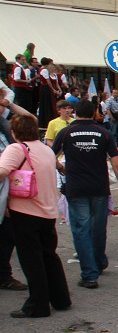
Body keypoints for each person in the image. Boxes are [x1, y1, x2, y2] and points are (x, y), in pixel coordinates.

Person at [52, 99, 118, 289]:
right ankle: (98, 262)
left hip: (76, 188)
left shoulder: (66, 132)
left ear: (75, 113)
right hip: (99, 187)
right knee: (97, 227)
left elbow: (49, 155)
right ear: (95, 112)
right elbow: (117, 162)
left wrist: (61, 168)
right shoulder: (103, 132)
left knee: (81, 230)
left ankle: (89, 274)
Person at [0, 114, 71, 317]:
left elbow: (2, 171)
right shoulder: (45, 149)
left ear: (14, 132)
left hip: (25, 211)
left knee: (32, 260)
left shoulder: (16, 149)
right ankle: (60, 298)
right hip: (47, 209)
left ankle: (37, 305)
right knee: (49, 255)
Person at [0, 94, 31, 292]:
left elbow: (30, 120)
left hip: (8, 191)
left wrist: (9, 104)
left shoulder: (5, 128)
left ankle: (4, 275)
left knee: (7, 235)